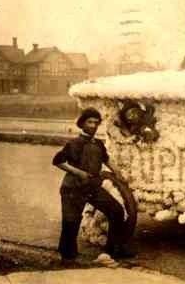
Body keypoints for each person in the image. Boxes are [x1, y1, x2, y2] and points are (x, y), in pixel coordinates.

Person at [52, 107, 134, 261]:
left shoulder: (98, 144)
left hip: (92, 187)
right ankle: (67, 257)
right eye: (90, 122)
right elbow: (58, 161)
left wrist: (118, 173)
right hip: (73, 189)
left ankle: (113, 250)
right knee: (71, 222)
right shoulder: (74, 143)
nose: (94, 126)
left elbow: (106, 159)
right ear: (82, 123)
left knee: (116, 211)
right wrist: (79, 172)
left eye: (96, 123)